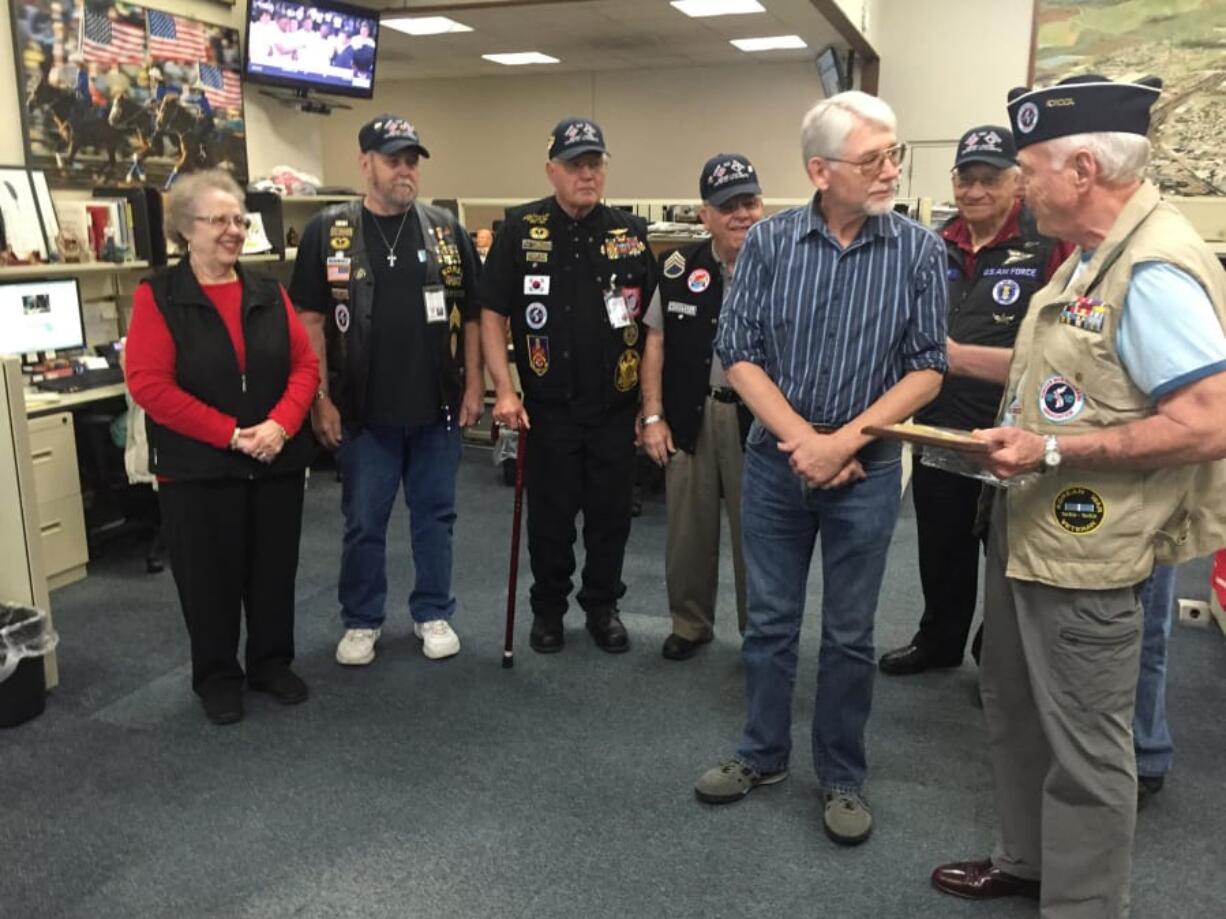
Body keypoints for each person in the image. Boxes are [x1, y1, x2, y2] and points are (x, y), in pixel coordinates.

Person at [932, 75, 1226, 917]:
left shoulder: (1157, 267)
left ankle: (1084, 903)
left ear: (1084, 168)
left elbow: (1209, 421)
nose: (1018, 187)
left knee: (1089, 745)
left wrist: (1053, 446)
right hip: (1033, 531)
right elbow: (1059, 377)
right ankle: (1027, 861)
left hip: (1090, 551)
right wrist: (947, 358)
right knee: (1016, 707)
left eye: (1028, 169)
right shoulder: (1096, 255)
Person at [691, 92, 948, 846]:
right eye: (871, 158)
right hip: (776, 465)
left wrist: (843, 443)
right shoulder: (768, 245)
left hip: (866, 471)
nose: (889, 170)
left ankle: (841, 773)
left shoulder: (919, 251)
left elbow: (927, 368)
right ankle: (762, 754)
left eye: (893, 154)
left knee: (848, 633)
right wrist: (805, 439)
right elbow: (739, 355)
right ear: (819, 169)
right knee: (768, 623)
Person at [124, 169, 319, 725]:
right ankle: (216, 676)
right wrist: (231, 435)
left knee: (273, 570)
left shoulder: (267, 290)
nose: (233, 231)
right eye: (219, 221)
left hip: (274, 459)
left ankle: (270, 663)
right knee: (208, 577)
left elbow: (304, 365)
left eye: (239, 220)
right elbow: (151, 386)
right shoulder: (159, 295)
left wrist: (279, 426)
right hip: (199, 469)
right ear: (187, 230)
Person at [290, 115, 483, 667]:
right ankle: (362, 618)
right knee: (364, 521)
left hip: (436, 407)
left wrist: (475, 383)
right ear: (365, 163)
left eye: (412, 160)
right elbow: (308, 321)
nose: (405, 169)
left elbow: (470, 316)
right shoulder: (328, 231)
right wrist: (319, 399)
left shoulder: (446, 229)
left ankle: (432, 610)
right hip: (362, 411)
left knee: (435, 517)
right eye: (393, 158)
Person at [879, 125, 1072, 676]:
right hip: (939, 424)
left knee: (1007, 552)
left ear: (1017, 182)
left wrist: (957, 356)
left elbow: (1064, 351)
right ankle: (938, 640)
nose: (977, 191)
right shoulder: (936, 243)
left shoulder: (1047, 244)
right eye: (967, 178)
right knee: (940, 543)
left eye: (991, 179)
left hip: (1013, 428)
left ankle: (997, 653)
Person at [480, 117, 659, 654]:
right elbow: (492, 314)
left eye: (596, 163)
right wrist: (504, 391)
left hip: (613, 408)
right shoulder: (519, 229)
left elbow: (652, 325)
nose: (588, 174)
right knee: (551, 520)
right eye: (576, 165)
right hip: (549, 408)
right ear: (551, 170)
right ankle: (549, 609)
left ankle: (603, 606)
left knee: (610, 520)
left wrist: (649, 408)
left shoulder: (630, 232)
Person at [639, 153, 763, 660]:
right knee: (688, 533)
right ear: (704, 214)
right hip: (691, 412)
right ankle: (689, 624)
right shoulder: (678, 267)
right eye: (727, 205)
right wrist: (651, 416)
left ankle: (762, 634)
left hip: (758, 423)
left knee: (759, 535)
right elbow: (655, 345)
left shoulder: (784, 268)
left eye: (749, 202)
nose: (741, 215)